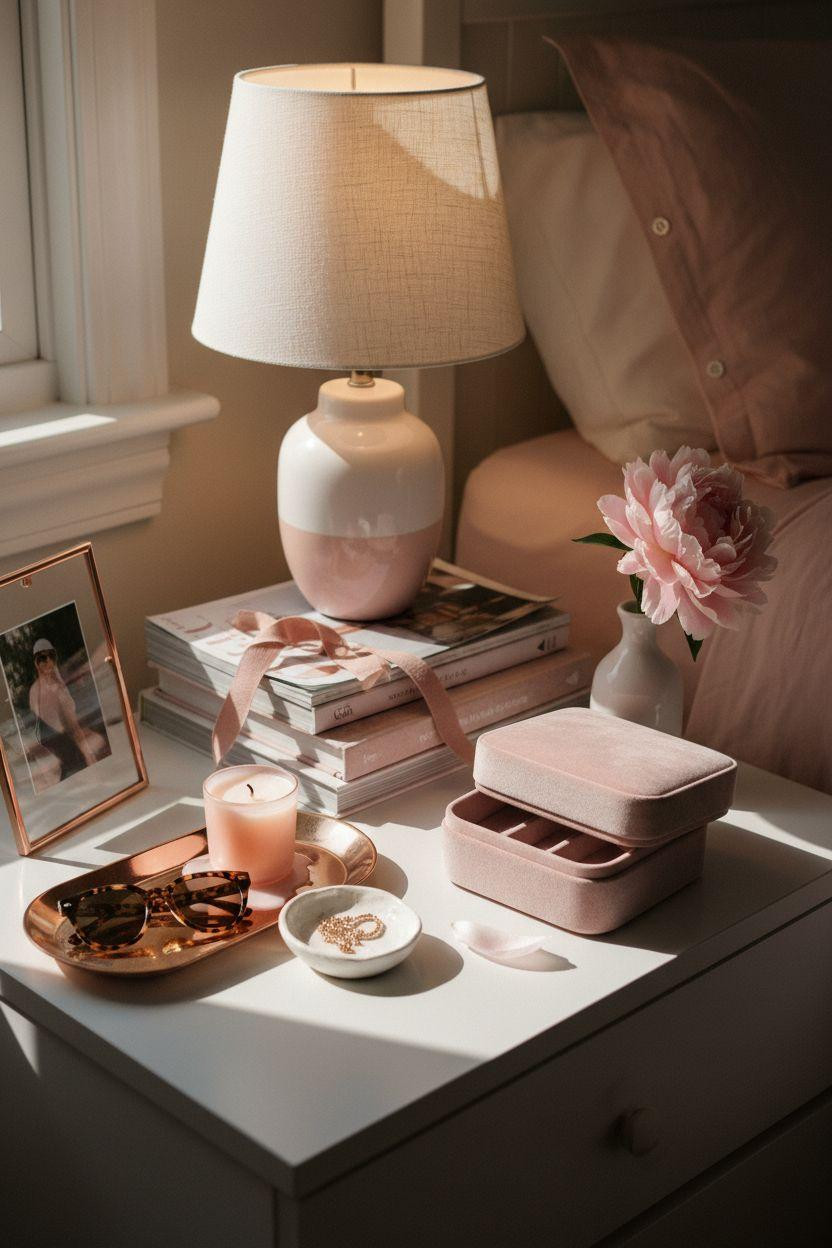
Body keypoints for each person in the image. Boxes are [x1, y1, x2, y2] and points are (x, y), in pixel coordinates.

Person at [28, 638, 97, 781]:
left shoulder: (44, 688)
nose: (48, 661)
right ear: (36, 662)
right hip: (61, 743)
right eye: (43, 658)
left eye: (51, 656)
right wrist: (88, 755)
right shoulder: (44, 690)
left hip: (57, 745)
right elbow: (71, 725)